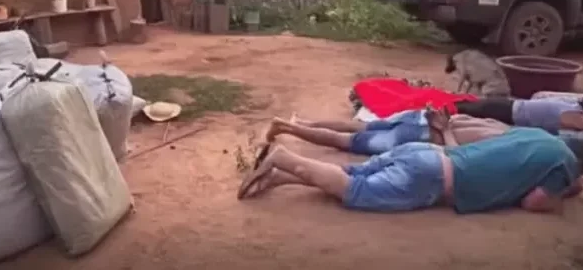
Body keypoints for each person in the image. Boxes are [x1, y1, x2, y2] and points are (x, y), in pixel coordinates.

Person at [239, 109, 583, 214]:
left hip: (425, 154)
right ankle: (286, 158)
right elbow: (535, 201)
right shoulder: (565, 163)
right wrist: (565, 194)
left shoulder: (537, 136)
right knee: (355, 190)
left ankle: (281, 176)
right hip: (432, 177)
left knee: (354, 170)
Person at [265, 110, 436, 156]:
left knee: (353, 126)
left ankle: (300, 124)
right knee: (342, 139)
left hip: (419, 120)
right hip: (417, 135)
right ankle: (285, 126)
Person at [455, 96, 583, 134]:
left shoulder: (571, 105)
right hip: (505, 111)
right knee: (458, 109)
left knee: (463, 105)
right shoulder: (572, 113)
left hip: (507, 106)